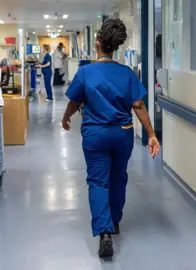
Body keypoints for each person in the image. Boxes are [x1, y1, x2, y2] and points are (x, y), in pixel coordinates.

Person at [62, 19, 161, 258]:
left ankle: (104, 232)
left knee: (97, 181)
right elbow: (138, 105)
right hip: (122, 133)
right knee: (118, 177)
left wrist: (65, 118)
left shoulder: (85, 72)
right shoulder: (126, 73)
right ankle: (114, 221)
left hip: (95, 135)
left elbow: (74, 101)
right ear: (115, 47)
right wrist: (151, 134)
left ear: (97, 43)